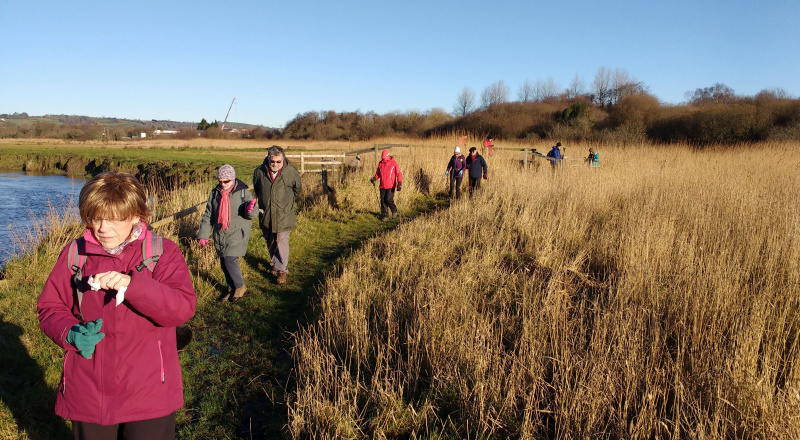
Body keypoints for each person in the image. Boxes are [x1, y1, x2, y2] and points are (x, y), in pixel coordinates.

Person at [37, 172, 196, 440]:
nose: (102, 228)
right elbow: (50, 308)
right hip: (88, 392)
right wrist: (69, 333)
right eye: (95, 218)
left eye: (113, 219)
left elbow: (181, 308)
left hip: (149, 394)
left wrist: (133, 285)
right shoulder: (75, 254)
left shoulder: (162, 252)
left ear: (137, 216)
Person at [197, 164, 258, 302]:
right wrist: (204, 234)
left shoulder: (243, 192)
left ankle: (240, 286)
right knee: (224, 262)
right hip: (221, 234)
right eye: (220, 181)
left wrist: (250, 209)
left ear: (233, 179)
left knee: (230, 260)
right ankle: (231, 288)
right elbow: (208, 215)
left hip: (237, 232)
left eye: (226, 181)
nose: (223, 184)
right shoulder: (215, 193)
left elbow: (252, 215)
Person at [253, 146, 302, 285]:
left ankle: (282, 271)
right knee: (271, 240)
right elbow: (257, 189)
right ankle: (274, 263)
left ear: (283, 159)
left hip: (284, 214)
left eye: (278, 162)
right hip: (267, 213)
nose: (274, 164)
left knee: (281, 241)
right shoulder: (259, 172)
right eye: (272, 161)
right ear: (268, 159)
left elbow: (297, 189)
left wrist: (288, 203)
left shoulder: (291, 171)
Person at [370, 149, 403, 221]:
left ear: (387, 156)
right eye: (382, 158)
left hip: (391, 186)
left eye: (384, 158)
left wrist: (399, 183)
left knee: (388, 199)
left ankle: (394, 211)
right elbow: (378, 173)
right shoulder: (380, 163)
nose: (383, 159)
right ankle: (385, 216)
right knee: (383, 201)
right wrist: (374, 178)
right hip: (382, 186)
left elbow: (399, 173)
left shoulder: (394, 163)